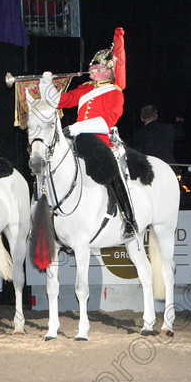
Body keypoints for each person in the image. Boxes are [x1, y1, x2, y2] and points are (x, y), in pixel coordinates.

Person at [39, 29, 137, 239]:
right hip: (77, 140)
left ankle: (129, 219)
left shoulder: (114, 92)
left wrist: (79, 127)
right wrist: (46, 85)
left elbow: (107, 121)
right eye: (92, 65)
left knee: (113, 170)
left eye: (97, 66)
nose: (91, 68)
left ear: (108, 71)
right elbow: (61, 101)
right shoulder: (85, 88)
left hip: (100, 141)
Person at [133, 104, 184, 168]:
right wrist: (179, 123)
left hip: (151, 168)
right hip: (169, 167)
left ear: (142, 118)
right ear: (156, 116)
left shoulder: (139, 134)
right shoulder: (168, 128)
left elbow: (139, 154)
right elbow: (180, 135)